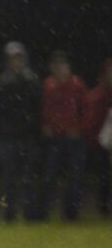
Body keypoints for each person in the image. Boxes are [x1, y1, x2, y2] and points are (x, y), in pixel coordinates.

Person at [0, 42, 43, 222]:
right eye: (12, 59)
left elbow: (38, 109)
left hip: (27, 137)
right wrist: (0, 127)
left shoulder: (32, 81)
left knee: (28, 178)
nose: (16, 62)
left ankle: (30, 213)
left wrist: (31, 127)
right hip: (6, 138)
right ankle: (9, 214)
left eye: (19, 58)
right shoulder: (0, 83)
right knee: (9, 179)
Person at [38, 49, 87, 221]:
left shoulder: (77, 84)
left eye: (63, 65)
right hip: (55, 139)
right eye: (56, 66)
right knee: (49, 176)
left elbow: (85, 109)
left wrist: (79, 128)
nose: (60, 69)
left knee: (74, 178)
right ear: (51, 67)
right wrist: (45, 126)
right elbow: (44, 108)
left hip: (74, 139)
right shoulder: (48, 85)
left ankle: (71, 213)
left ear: (68, 67)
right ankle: (42, 212)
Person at [80, 58, 112, 216]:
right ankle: (103, 207)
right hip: (102, 143)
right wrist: (93, 140)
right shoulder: (97, 95)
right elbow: (90, 120)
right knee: (104, 177)